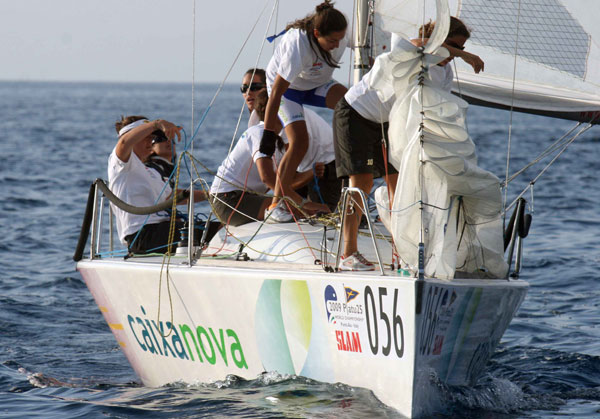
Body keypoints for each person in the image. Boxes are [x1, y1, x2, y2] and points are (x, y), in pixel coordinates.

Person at [333, 16, 483, 271]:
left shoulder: (443, 73)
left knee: (401, 187)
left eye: (462, 49)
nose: (456, 56)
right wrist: (464, 55)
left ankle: (401, 252)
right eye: (454, 47)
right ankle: (348, 253)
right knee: (362, 182)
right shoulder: (408, 45)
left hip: (390, 123)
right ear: (438, 39)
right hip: (356, 114)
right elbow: (418, 46)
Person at [261, 1, 349, 222]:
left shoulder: (343, 34)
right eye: (331, 41)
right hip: (287, 91)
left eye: (340, 40)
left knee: (351, 106)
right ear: (317, 33)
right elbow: (276, 94)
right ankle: (275, 206)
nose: (337, 45)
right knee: (300, 142)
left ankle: (353, 195)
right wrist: (268, 134)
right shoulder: (298, 46)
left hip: (315, 84)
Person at [210, 91, 321, 226]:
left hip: (243, 198)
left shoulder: (275, 141)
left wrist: (312, 172)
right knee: (300, 210)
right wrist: (302, 204)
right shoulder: (259, 134)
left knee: (305, 209)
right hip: (228, 200)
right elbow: (267, 178)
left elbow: (286, 183)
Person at [242, 67, 342, 212]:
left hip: (326, 164)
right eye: (244, 88)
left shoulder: (283, 110)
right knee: (292, 206)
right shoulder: (257, 121)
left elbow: (273, 178)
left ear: (269, 86)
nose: (248, 92)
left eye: (254, 87)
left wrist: (279, 198)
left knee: (324, 216)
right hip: (304, 167)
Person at [108, 116, 206, 254]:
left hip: (162, 230)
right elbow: (124, 143)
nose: (151, 142)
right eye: (146, 137)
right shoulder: (121, 163)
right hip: (143, 235)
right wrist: (157, 124)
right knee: (210, 237)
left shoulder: (150, 172)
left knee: (216, 228)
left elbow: (172, 196)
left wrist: (212, 196)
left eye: (152, 138)